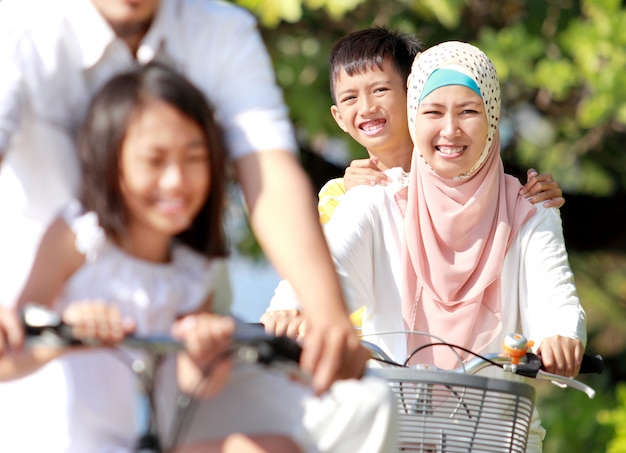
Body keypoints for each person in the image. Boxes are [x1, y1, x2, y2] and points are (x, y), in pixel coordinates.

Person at [0, 64, 397, 453]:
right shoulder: (78, 235)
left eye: (194, 159)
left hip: (166, 434)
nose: (176, 180)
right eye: (154, 161)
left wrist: (205, 349)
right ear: (111, 161)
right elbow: (10, 356)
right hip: (77, 440)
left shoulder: (194, 264)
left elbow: (198, 385)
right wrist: (65, 333)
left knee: (274, 447)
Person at [0, 0, 364, 394]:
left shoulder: (221, 30)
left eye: (194, 157)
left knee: (359, 404)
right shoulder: (19, 28)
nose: (174, 181)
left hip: (174, 342)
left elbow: (269, 172)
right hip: (29, 327)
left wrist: (327, 314)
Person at [269, 40, 588, 452]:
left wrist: (560, 334)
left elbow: (554, 291)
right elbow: (329, 263)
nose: (450, 130)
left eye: (469, 111)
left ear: (493, 118)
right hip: (392, 424)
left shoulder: (530, 211)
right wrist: (291, 306)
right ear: (414, 117)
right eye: (434, 112)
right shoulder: (374, 199)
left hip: (494, 432)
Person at [262, 27, 566, 335]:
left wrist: (530, 202)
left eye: (380, 90)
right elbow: (323, 262)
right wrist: (290, 305)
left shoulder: (488, 193)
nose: (366, 107)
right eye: (350, 97)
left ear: (413, 96)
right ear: (338, 116)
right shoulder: (346, 194)